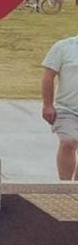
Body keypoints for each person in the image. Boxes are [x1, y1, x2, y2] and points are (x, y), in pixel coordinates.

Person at [40, 36, 78, 180]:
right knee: (69, 142)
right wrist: (47, 105)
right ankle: (65, 187)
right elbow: (48, 76)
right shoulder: (64, 47)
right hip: (67, 108)